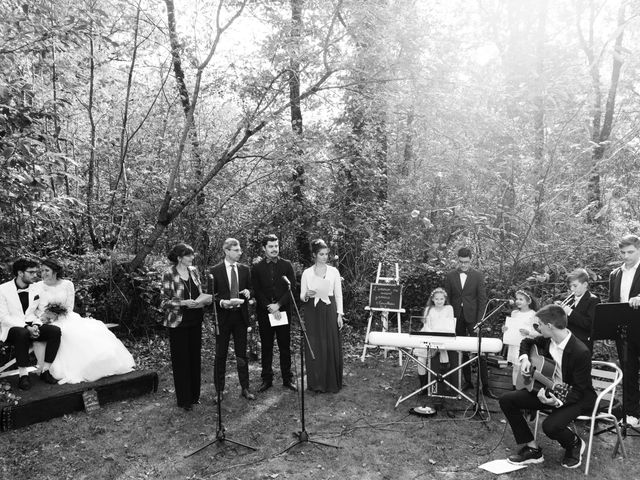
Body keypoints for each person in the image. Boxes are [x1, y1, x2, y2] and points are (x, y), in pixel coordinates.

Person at [499, 304, 595, 469]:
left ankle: (574, 443)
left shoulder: (581, 352)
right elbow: (527, 342)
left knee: (550, 426)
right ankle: (532, 448)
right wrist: (525, 359)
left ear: (550, 326)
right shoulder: (547, 339)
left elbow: (579, 391)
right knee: (506, 400)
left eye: (539, 325)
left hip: (576, 398)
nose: (537, 328)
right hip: (547, 389)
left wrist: (555, 402)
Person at [25, 258, 135, 384]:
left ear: (55, 271)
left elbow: (69, 307)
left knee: (84, 333)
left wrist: (57, 315)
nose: (43, 274)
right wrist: (45, 317)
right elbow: (32, 308)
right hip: (45, 321)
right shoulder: (36, 286)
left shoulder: (67, 284)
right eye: (42, 271)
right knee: (62, 333)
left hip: (66, 317)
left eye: (46, 270)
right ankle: (51, 369)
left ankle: (95, 364)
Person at [161, 243, 212, 411]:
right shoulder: (169, 274)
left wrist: (204, 299)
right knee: (181, 361)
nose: (192, 258)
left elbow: (198, 292)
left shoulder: (194, 271)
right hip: (178, 323)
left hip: (195, 320)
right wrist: (182, 302)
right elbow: (163, 302)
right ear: (179, 258)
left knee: (194, 358)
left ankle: (194, 396)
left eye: (192, 255)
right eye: (189, 255)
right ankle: (184, 399)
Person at [0, 258, 61, 390]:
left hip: (32, 323)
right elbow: (3, 317)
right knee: (22, 333)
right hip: (12, 327)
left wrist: (36, 325)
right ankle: (23, 375)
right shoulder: (3, 289)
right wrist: (26, 328)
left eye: (35, 272)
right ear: (20, 273)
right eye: (31, 272)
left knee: (55, 331)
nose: (35, 275)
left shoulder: (36, 288)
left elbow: (41, 311)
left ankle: (45, 371)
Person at [443, 247, 496, 398]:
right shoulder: (450, 276)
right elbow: (446, 299)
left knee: (480, 351)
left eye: (466, 262)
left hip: (473, 318)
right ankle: (467, 381)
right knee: (461, 350)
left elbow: (482, 299)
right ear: (457, 259)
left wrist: (479, 322)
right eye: (461, 262)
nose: (463, 265)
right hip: (456, 318)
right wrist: (448, 319)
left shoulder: (478, 276)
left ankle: (485, 386)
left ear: (471, 260)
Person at [251, 234, 297, 393]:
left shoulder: (287, 265)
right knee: (267, 346)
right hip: (265, 312)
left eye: (276, 246)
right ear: (264, 248)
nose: (274, 249)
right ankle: (267, 379)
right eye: (271, 246)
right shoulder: (257, 268)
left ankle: (287, 378)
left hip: (283, 310)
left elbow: (292, 289)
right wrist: (269, 306)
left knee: (284, 346)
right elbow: (256, 290)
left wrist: (278, 304)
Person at [210, 238, 255, 400]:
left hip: (240, 318)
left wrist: (249, 293)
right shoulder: (215, 270)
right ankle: (219, 390)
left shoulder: (244, 269)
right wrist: (222, 302)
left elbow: (251, 289)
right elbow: (210, 297)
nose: (240, 253)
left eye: (240, 250)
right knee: (220, 355)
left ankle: (245, 387)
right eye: (236, 250)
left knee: (242, 354)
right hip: (222, 318)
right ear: (226, 251)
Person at [299, 239, 343, 393]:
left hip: (330, 309)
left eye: (326, 254)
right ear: (314, 255)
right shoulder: (307, 273)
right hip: (313, 310)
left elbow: (338, 295)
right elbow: (301, 297)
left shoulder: (334, 272)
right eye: (321, 254)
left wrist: (339, 314)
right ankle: (316, 382)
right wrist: (307, 295)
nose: (325, 257)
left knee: (330, 343)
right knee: (315, 344)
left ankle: (331, 382)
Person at [608, 234, 640, 426]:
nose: (626, 256)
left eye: (631, 252)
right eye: (623, 252)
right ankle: (632, 413)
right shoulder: (615, 274)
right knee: (628, 371)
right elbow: (613, 303)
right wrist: (610, 329)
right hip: (624, 331)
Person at [415, 287, 455, 394]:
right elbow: (426, 326)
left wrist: (440, 335)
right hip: (429, 336)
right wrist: (431, 336)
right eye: (436, 299)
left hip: (443, 336)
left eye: (441, 299)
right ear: (432, 299)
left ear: (445, 299)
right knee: (421, 358)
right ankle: (423, 386)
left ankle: (443, 381)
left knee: (443, 351)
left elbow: (450, 324)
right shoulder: (429, 309)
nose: (439, 301)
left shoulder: (449, 308)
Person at [557, 268, 599, 353]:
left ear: (585, 284)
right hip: (566, 341)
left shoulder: (593, 300)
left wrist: (570, 312)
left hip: (583, 343)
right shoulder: (569, 299)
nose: (572, 289)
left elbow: (589, 324)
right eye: (570, 286)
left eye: (575, 286)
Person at [502, 290, 539, 386]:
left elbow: (539, 333)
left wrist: (528, 332)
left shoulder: (533, 314)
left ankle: (522, 387)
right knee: (515, 368)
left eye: (521, 299)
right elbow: (511, 327)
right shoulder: (514, 313)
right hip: (514, 344)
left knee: (523, 368)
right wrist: (505, 329)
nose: (517, 301)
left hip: (524, 345)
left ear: (528, 302)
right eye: (517, 299)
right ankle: (514, 387)